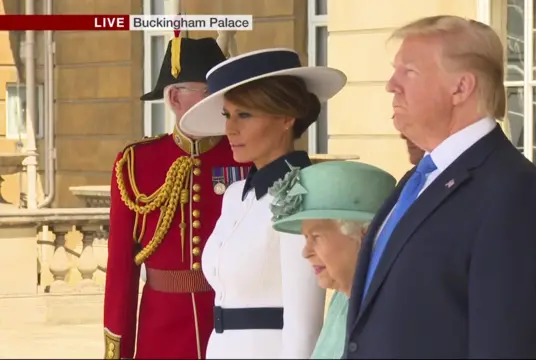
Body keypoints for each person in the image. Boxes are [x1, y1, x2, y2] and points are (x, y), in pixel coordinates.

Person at [345, 16, 536, 359]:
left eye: (409, 71)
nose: (391, 84)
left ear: (461, 88)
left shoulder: (513, 193)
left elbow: (505, 344)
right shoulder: (416, 181)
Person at [177, 48, 348, 358]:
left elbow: (304, 324)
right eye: (227, 115)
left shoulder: (300, 194)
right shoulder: (234, 194)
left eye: (244, 114)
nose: (230, 129)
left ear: (285, 117)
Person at [103, 36, 251, 359]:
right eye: (210, 93)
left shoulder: (244, 157)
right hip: (162, 333)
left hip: (230, 329)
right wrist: (118, 350)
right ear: (174, 97)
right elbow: (120, 274)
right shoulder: (136, 164)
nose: (221, 103)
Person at [269, 160, 396, 359]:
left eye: (317, 237)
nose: (306, 252)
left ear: (363, 236)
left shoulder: (392, 309)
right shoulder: (342, 300)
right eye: (306, 238)